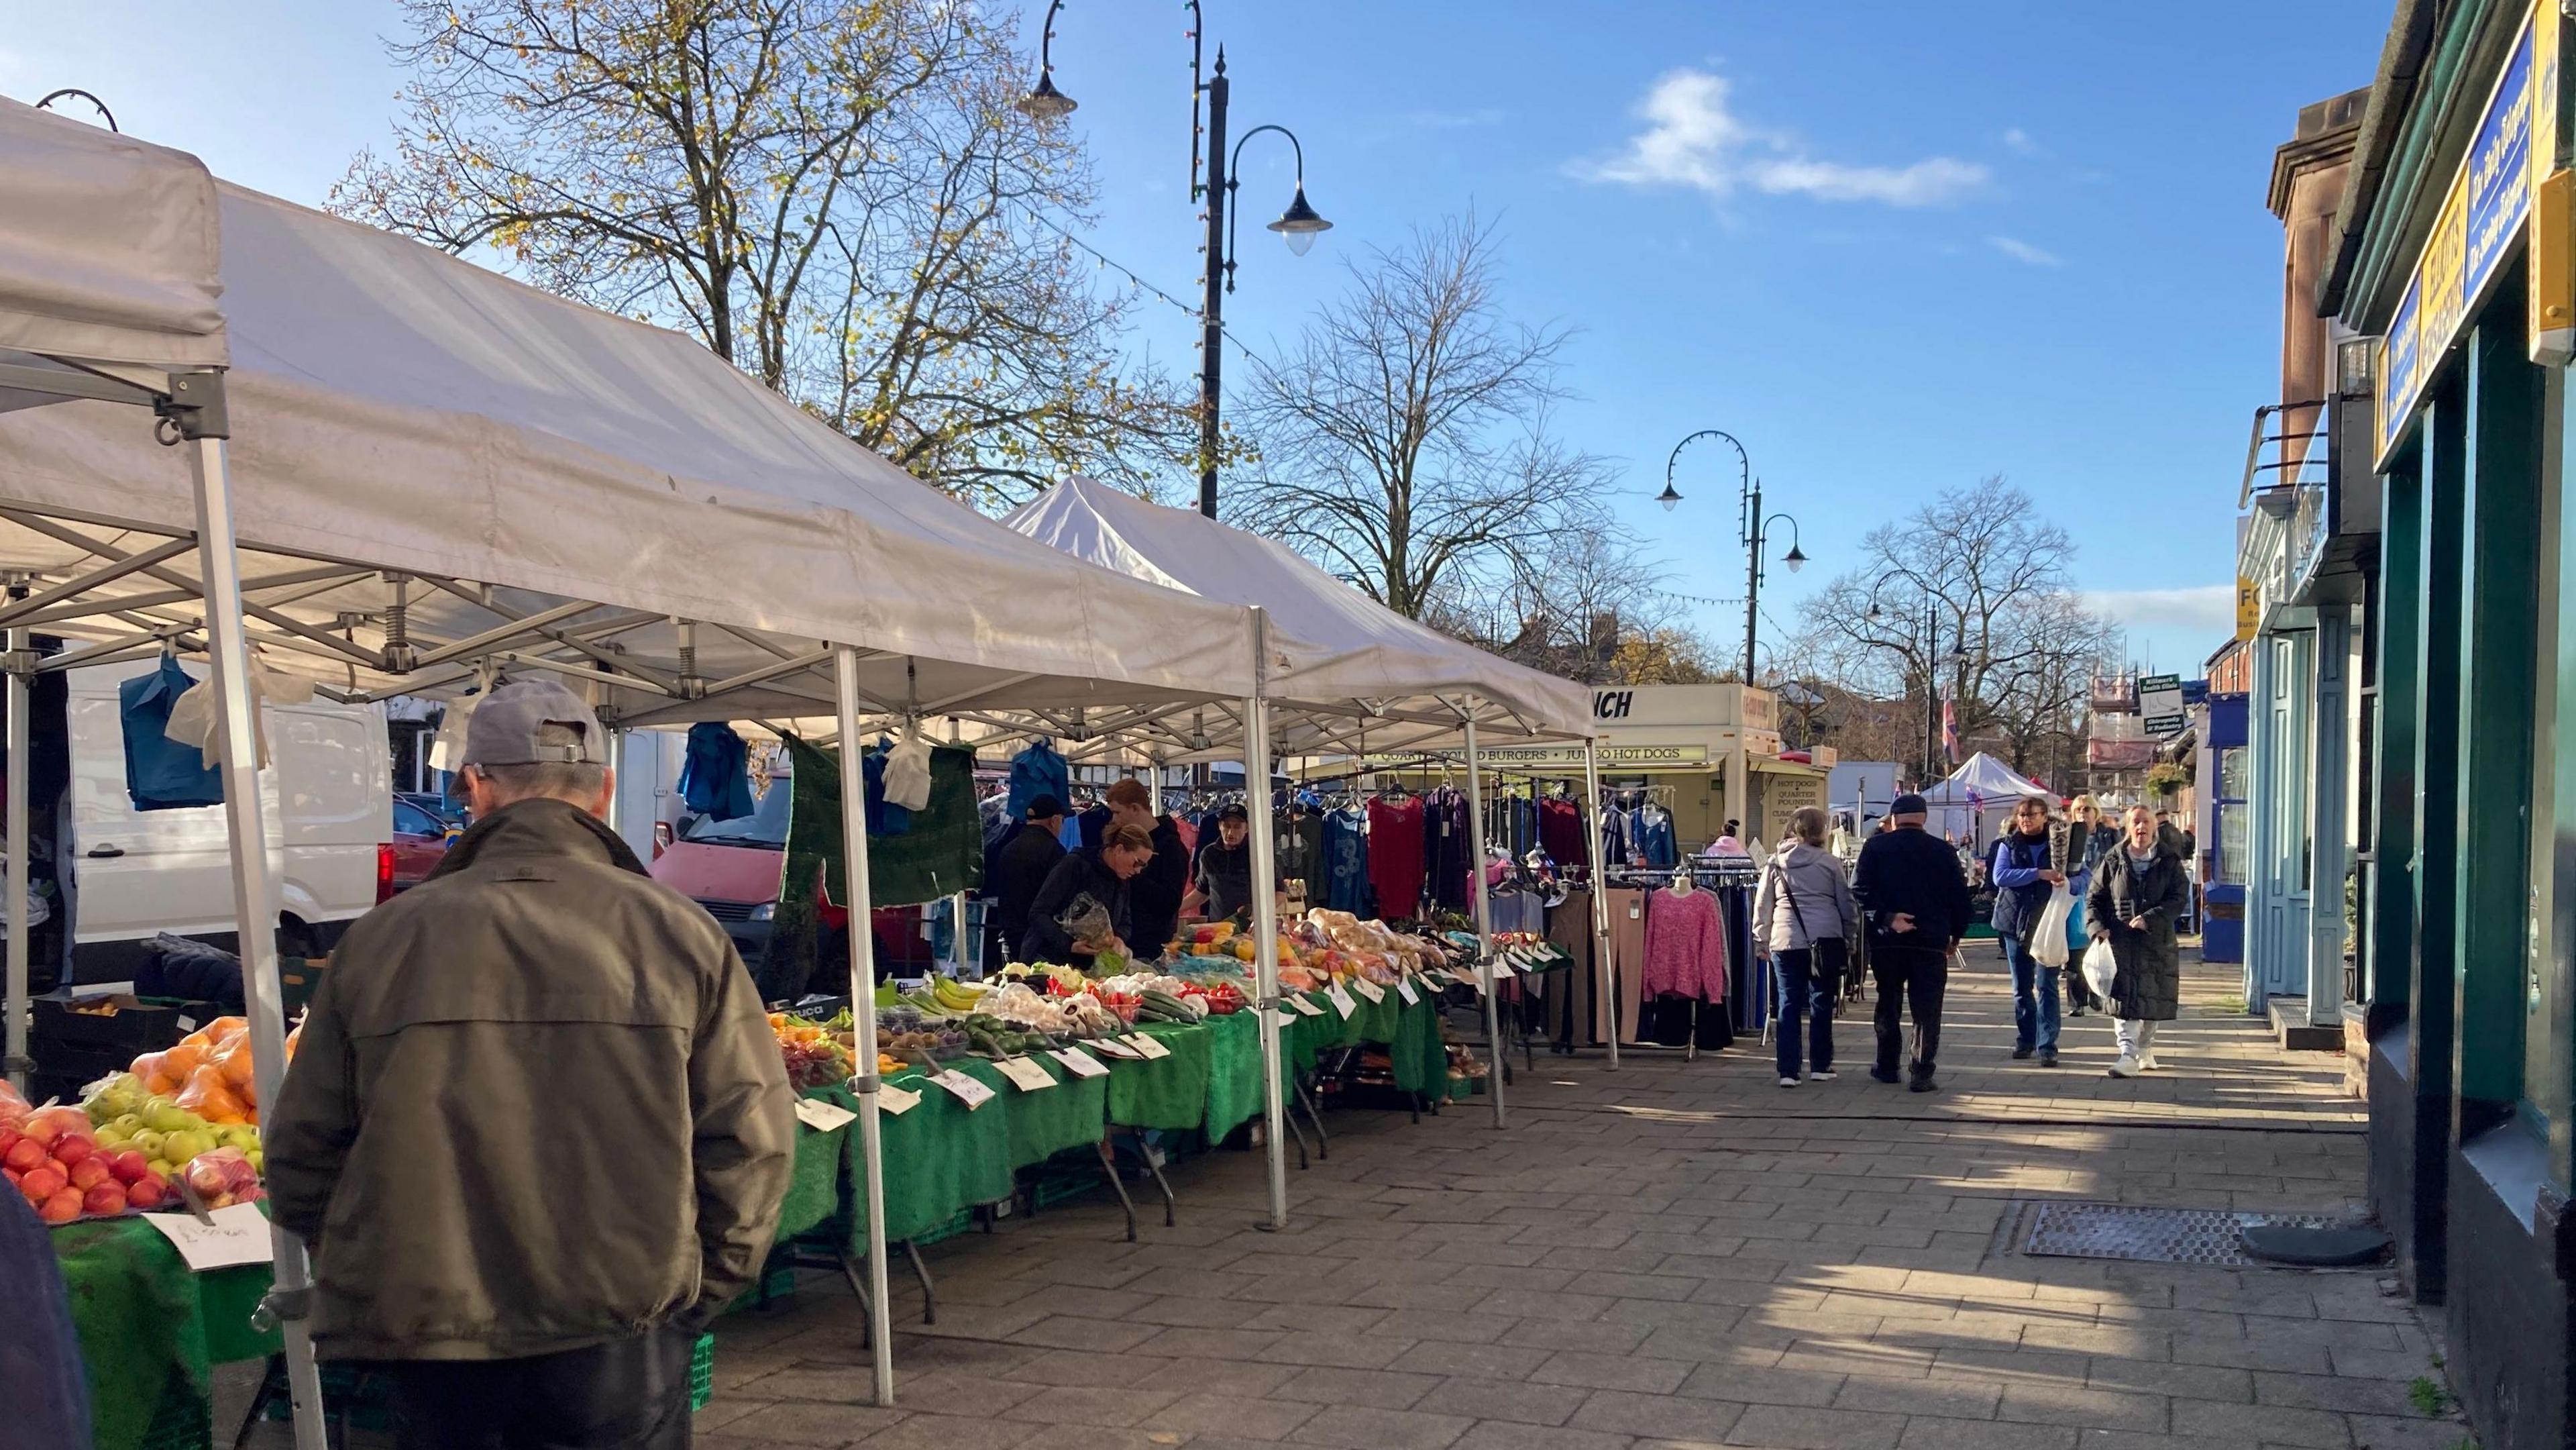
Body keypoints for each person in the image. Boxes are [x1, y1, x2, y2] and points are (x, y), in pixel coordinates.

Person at [266, 680, 794, 1450]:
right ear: (605, 791)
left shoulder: (381, 941)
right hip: (621, 1324)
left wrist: (381, 1267)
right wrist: (693, 1290)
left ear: (476, 786)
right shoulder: (683, 934)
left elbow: (301, 1149)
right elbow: (752, 1141)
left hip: (431, 1332)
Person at [1852, 792, 1972, 1092]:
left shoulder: (1876, 847)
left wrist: (1887, 917)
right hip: (1930, 940)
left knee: (1888, 1001)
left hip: (1888, 940)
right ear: (1925, 819)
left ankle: (1887, 1066)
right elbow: (1960, 898)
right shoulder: (1943, 851)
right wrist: (1955, 935)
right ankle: (1921, 1071)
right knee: (1927, 1009)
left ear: (1893, 819)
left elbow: (1859, 889)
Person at [1752, 805, 1861, 1088]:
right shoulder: (1830, 863)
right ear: (1820, 831)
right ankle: (1820, 1065)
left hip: (1785, 940)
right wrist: (1850, 937)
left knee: (1787, 1004)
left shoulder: (1775, 863)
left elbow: (1763, 905)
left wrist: (1761, 940)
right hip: (1825, 939)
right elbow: (1846, 905)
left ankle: (1788, 1071)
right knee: (1821, 1002)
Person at [2090, 804, 2189, 1076]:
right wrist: (2098, 927)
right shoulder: (2113, 859)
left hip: (2156, 943)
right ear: (2127, 827)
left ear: (2154, 827)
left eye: (2146, 822)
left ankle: (2145, 1048)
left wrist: (2151, 918)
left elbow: (2178, 899)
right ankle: (2127, 1055)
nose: (2141, 827)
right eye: (2135, 822)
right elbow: (2095, 897)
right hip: (2121, 942)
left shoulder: (2169, 861)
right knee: (2124, 1002)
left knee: (2151, 1002)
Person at [1988, 794, 2067, 1066]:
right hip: (2015, 922)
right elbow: (2001, 876)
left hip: (2049, 921)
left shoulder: (2061, 843)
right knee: (2021, 987)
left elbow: (2082, 876)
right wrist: (2039, 874)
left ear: (2045, 816)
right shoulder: (2009, 844)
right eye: (2022, 815)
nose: (2026, 820)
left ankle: (2047, 1045)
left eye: (2032, 815)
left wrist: (2068, 882)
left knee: (2047, 985)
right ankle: (2026, 1038)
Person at [1021, 820, 1155, 967]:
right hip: (1048, 961)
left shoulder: (1122, 879)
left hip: (1087, 968)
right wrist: (1070, 945)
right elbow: (1038, 914)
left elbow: (1125, 921)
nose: (1138, 870)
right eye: (1138, 862)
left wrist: (1119, 938)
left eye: (1143, 866)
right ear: (1119, 850)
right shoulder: (1074, 865)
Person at [1106, 778, 1188, 955]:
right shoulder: (1120, 841)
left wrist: (1133, 872)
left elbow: (1171, 901)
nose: (1114, 819)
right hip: (1117, 940)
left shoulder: (1171, 847)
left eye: (1117, 812)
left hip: (1149, 946)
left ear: (1135, 808)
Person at [989, 793, 1068, 962]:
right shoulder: (1055, 851)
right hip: (1039, 944)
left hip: (1008, 938)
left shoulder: (1008, 848)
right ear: (1054, 820)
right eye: (1062, 821)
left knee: (1012, 986)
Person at [2062, 794, 2118, 1016]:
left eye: (2087, 809)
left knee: (2099, 945)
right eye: (2078, 810)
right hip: (2076, 896)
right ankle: (2077, 1002)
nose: (2082, 813)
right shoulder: (2067, 836)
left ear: (2096, 812)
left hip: (2102, 896)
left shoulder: (2110, 836)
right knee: (2076, 950)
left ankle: (2098, 995)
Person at [1183, 802, 1254, 922]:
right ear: (1220, 826)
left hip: (1250, 930)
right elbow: (1202, 891)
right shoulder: (1209, 854)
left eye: (1237, 827)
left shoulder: (1256, 854)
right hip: (1217, 930)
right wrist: (1176, 908)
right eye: (1227, 826)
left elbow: (1279, 892)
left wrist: (1258, 915)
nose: (1231, 832)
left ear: (1246, 828)